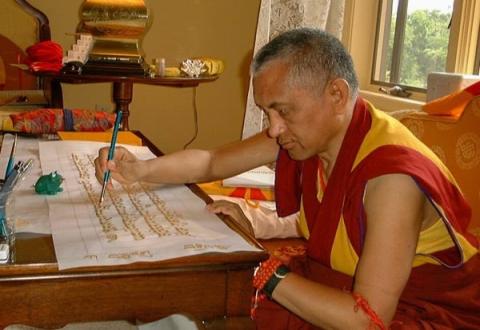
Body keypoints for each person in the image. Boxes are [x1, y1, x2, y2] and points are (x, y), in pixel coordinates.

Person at [95, 28, 480, 329]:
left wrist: (261, 266)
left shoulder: (392, 178)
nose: (274, 129)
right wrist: (139, 170)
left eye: (283, 112)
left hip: (428, 310)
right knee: (214, 301)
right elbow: (211, 162)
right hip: (343, 283)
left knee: (240, 299)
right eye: (267, 113)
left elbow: (368, 320)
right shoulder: (311, 134)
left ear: (337, 95)